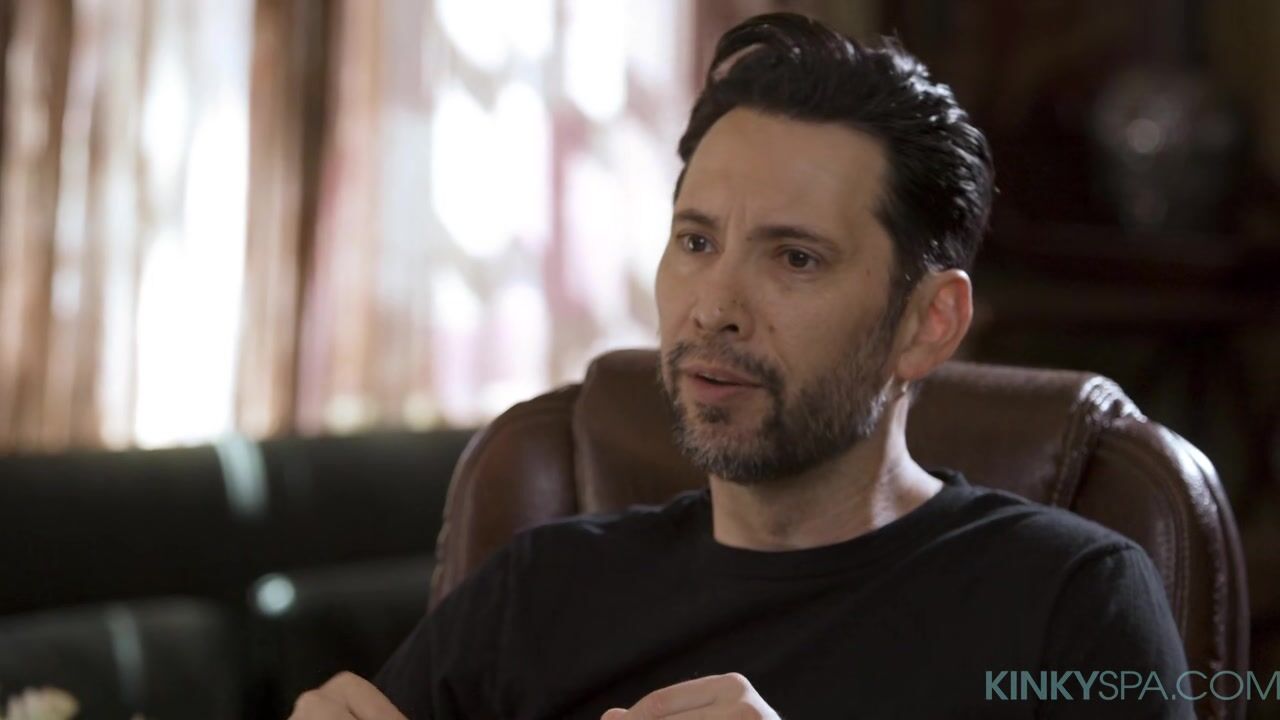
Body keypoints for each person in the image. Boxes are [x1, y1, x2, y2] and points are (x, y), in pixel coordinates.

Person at [291, 12, 1192, 720]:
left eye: (795, 257)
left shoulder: (1069, 601)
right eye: (696, 241)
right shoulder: (540, 590)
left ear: (928, 323)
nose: (713, 305)